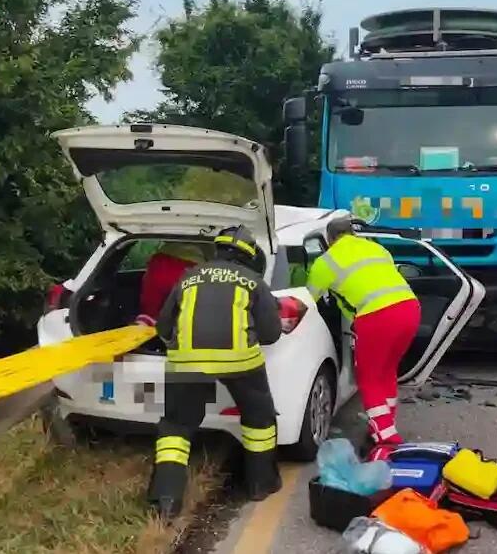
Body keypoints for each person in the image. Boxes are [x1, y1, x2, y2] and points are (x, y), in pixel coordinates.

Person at [148, 225, 283, 518]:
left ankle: (166, 501)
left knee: (175, 428)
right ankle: (261, 484)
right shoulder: (253, 281)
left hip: (187, 363)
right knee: (259, 419)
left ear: (216, 249)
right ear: (248, 256)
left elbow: (162, 327)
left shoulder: (188, 277)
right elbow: (272, 334)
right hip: (241, 363)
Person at [307, 216, 420, 451]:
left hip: (377, 317)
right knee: (386, 370)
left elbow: (307, 299)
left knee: (368, 377)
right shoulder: (377, 248)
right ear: (352, 233)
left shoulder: (326, 262)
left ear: (330, 239)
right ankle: (384, 425)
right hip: (410, 308)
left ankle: (387, 440)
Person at [136, 241, 208, 324]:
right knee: (190, 314)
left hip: (160, 263)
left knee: (150, 311)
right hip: (192, 267)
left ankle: (144, 328)